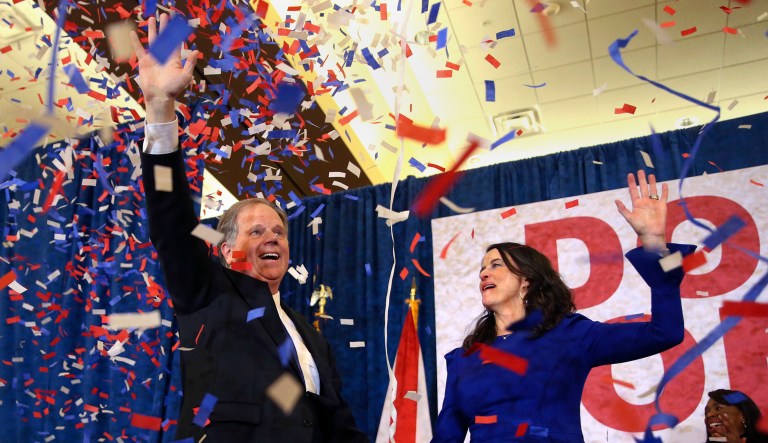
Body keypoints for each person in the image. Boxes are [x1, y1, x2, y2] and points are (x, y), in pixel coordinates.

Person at [130, 14, 368, 443]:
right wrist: (160, 109)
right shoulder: (209, 293)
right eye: (256, 232)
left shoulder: (310, 335)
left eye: (278, 231)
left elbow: (334, 420)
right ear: (225, 249)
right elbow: (171, 222)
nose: (272, 237)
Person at [433, 170, 695, 442]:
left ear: (527, 281)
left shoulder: (569, 335)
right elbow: (445, 437)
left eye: (496, 265)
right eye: (482, 268)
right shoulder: (462, 358)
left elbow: (665, 332)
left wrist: (655, 245)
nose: (483, 274)